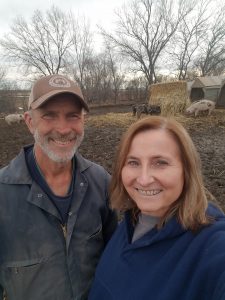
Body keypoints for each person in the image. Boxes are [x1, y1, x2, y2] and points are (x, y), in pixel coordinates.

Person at [0, 74, 117, 300]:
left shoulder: (101, 182)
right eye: (49, 116)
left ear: (83, 121)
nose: (63, 129)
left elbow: (114, 255)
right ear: (29, 121)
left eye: (72, 116)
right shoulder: (3, 193)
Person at [88, 116, 225, 300]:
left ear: (186, 170)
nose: (144, 179)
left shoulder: (211, 244)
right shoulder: (129, 223)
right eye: (133, 162)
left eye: (160, 163)